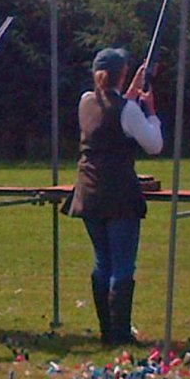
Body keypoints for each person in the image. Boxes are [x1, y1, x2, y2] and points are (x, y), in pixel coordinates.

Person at [64, 47, 164, 346]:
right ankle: (120, 334)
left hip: (89, 192)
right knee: (122, 266)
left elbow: (116, 106)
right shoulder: (130, 110)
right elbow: (154, 144)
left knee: (102, 262)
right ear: (120, 74)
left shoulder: (86, 101)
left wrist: (134, 85)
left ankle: (108, 331)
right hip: (119, 193)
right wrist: (153, 112)